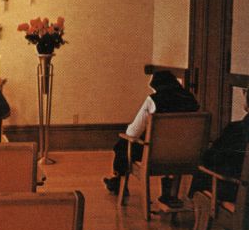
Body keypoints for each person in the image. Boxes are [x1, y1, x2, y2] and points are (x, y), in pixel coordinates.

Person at [103, 70, 200, 205]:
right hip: (184, 154)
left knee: (123, 144)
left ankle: (117, 180)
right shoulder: (191, 100)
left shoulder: (154, 100)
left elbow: (133, 132)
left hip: (155, 155)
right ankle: (168, 194)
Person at [189, 86, 249, 202]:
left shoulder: (235, 129)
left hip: (237, 193)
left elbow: (210, 159)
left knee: (202, 169)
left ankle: (197, 208)